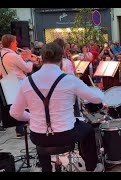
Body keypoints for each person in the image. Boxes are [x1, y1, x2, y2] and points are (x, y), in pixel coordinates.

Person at [9, 42, 105, 172]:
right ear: (61, 59)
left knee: (40, 136)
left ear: (41, 59)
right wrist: (98, 91)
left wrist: (32, 117)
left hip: (39, 136)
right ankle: (91, 166)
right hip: (66, 135)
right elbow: (97, 98)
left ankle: (46, 169)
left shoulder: (27, 82)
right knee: (88, 129)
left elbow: (15, 112)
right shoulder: (69, 80)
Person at [0, 34, 34, 137]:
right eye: (15, 42)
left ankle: (20, 129)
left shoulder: (1, 54)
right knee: (28, 106)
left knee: (17, 106)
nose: (17, 44)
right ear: (11, 43)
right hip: (19, 83)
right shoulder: (13, 56)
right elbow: (28, 69)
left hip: (8, 82)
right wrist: (29, 59)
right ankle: (34, 128)